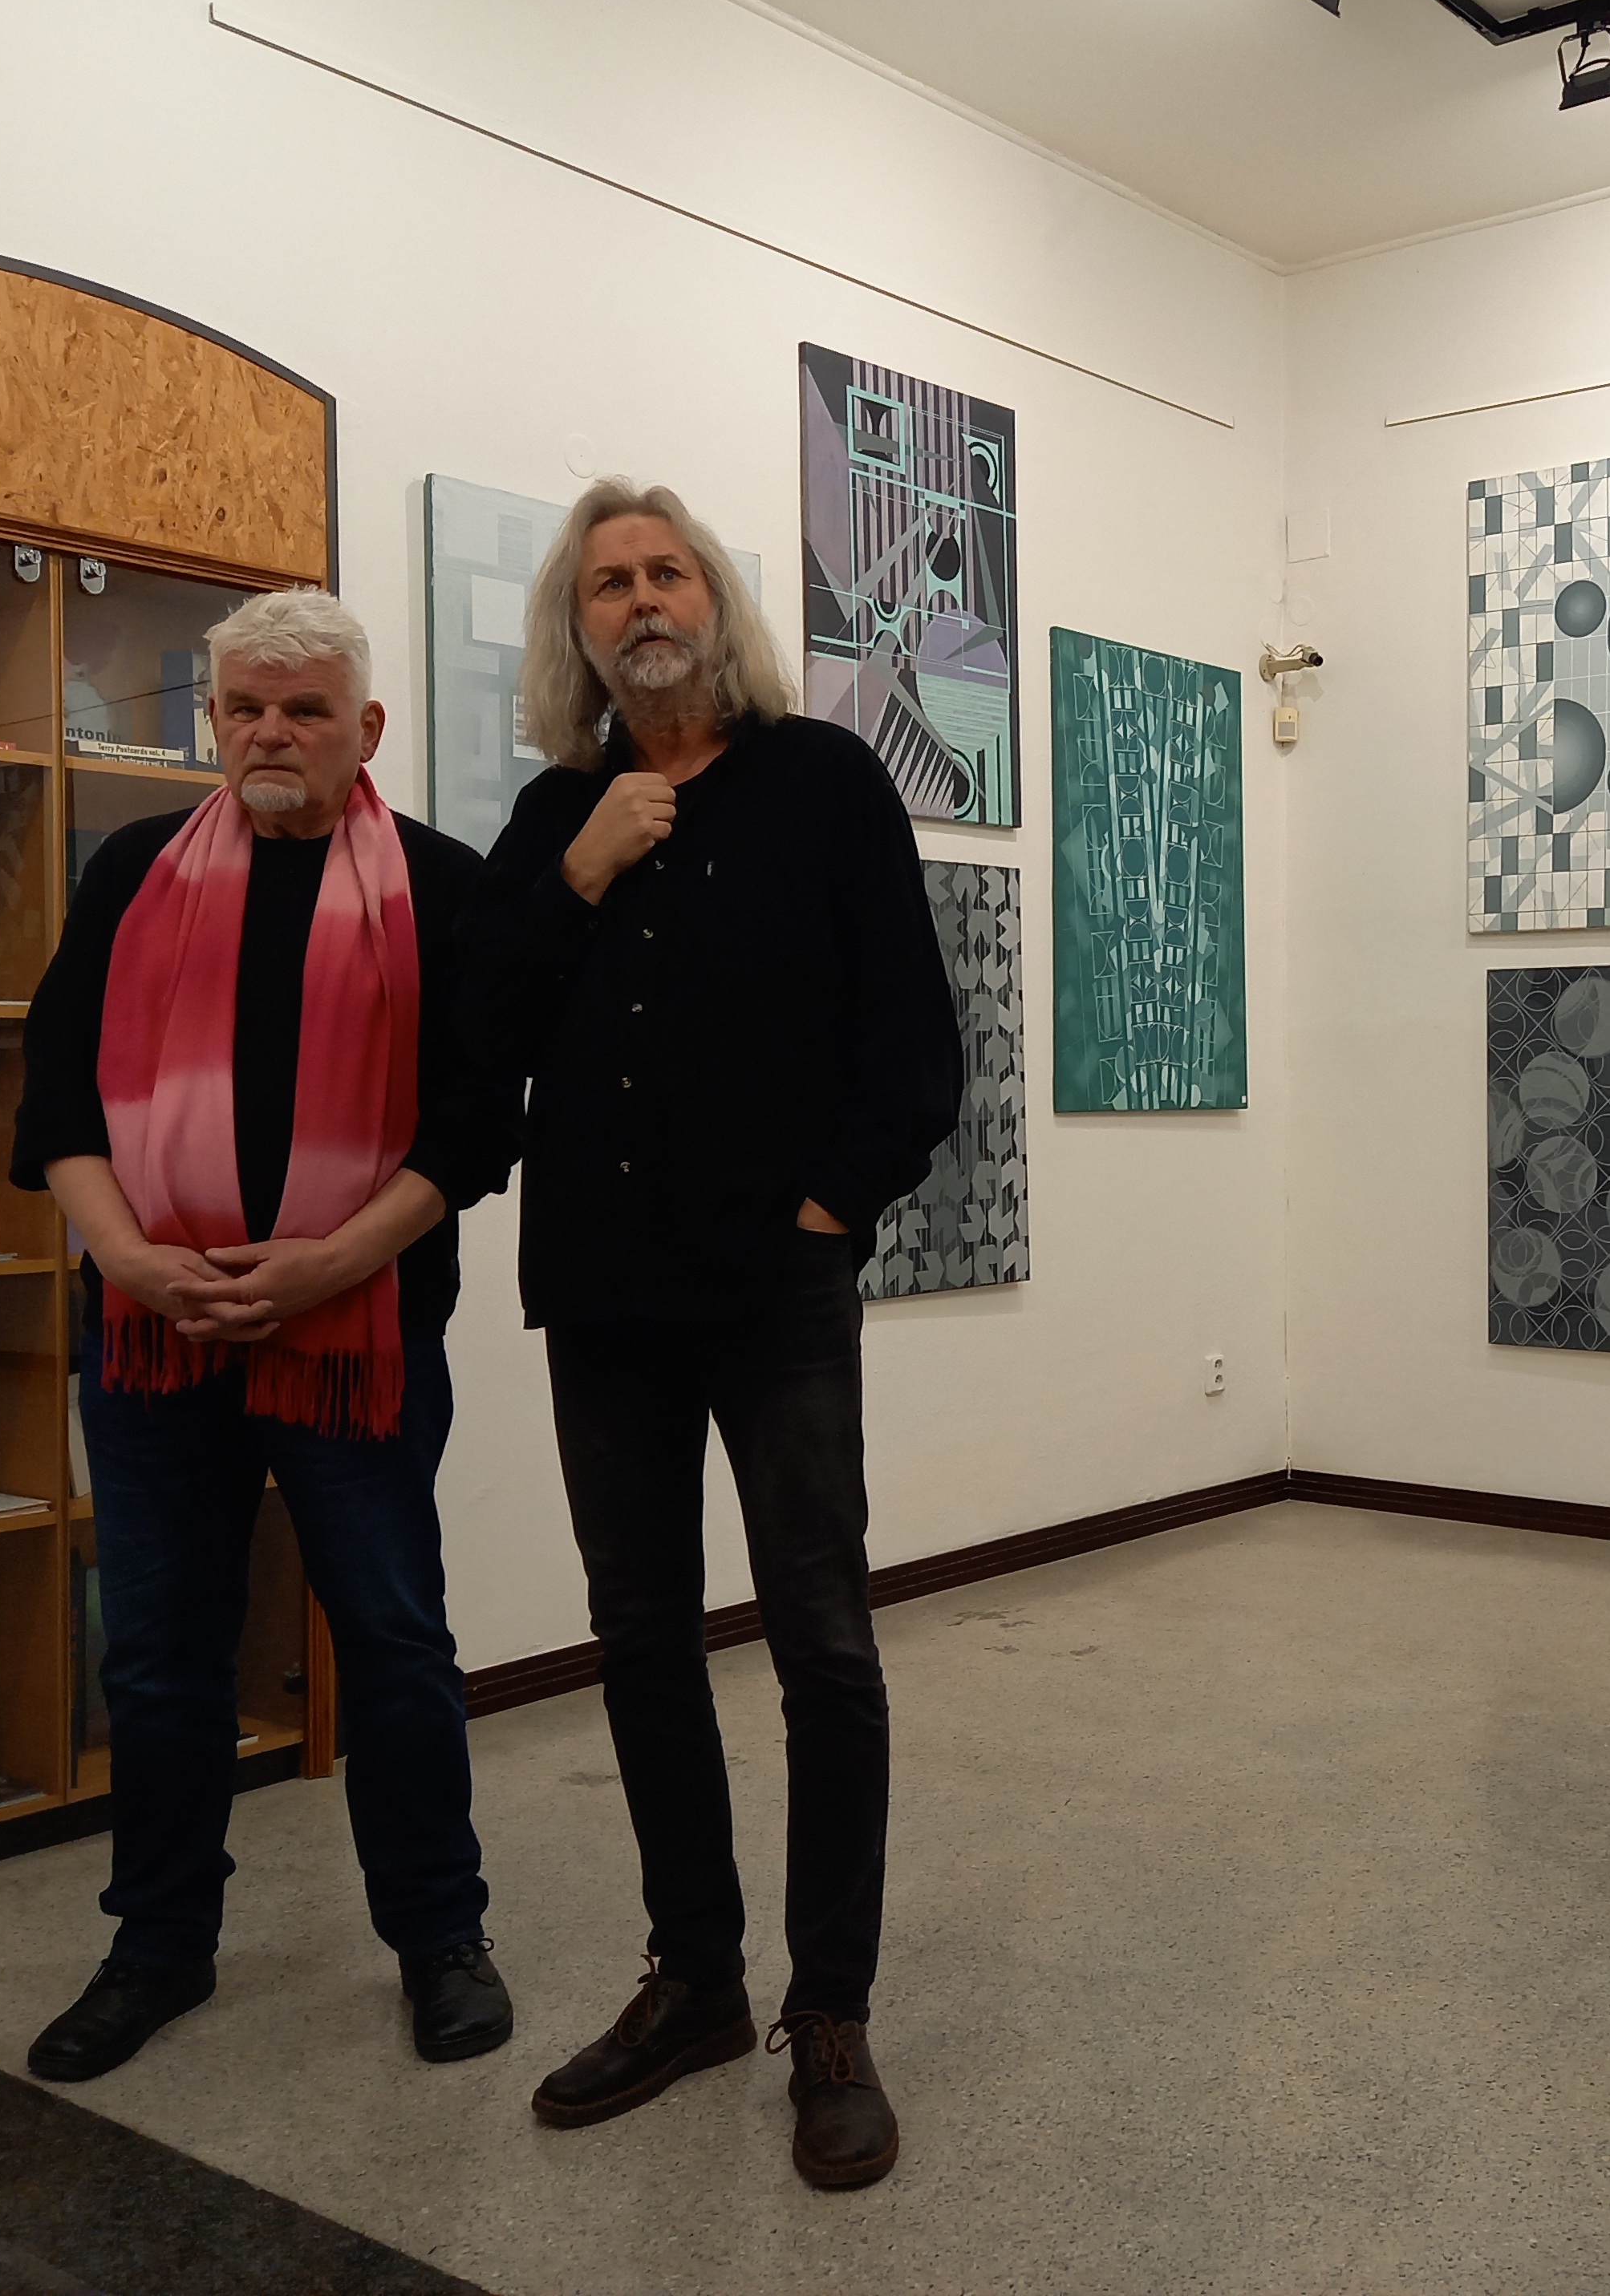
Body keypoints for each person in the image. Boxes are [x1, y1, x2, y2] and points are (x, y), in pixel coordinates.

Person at [467, 480, 959, 2190]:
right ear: (579, 627)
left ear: (715, 603)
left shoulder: (823, 782)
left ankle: (831, 2016)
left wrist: (830, 1209)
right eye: (607, 582)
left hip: (774, 1293)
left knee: (822, 1642)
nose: (640, 600)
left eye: (665, 571)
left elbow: (913, 1041)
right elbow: (477, 1032)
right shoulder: (556, 814)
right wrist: (578, 875)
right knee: (641, 1641)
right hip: (604, 1294)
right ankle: (693, 1981)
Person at [10, 589, 522, 2083]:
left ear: (367, 728)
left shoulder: (442, 885)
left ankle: (440, 1938)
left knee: (394, 1644)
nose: (271, 733)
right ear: (211, 721)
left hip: (358, 1333)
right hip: (155, 1340)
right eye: (244, 707)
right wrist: (128, 1261)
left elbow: (476, 1128)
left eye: (305, 709)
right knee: (161, 1658)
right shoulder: (130, 873)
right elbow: (58, 1098)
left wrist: (327, 1267)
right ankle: (157, 1947)